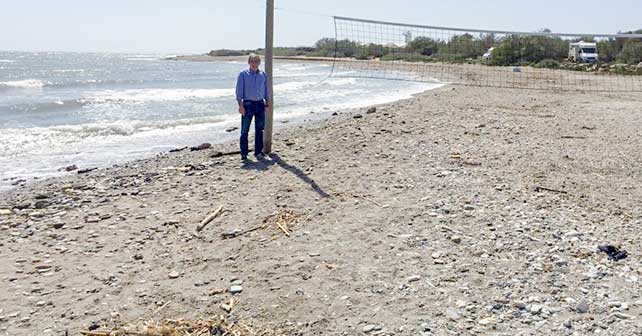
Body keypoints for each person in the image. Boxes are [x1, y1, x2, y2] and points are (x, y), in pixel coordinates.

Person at [235, 54, 270, 161]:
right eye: (252, 61)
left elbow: (266, 91)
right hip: (248, 105)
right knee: (245, 130)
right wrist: (240, 106)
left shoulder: (263, 75)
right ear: (249, 62)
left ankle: (258, 152)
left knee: (260, 129)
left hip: (260, 104)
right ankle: (244, 154)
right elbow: (239, 92)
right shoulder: (243, 74)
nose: (254, 63)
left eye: (256, 61)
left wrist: (267, 104)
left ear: (259, 63)